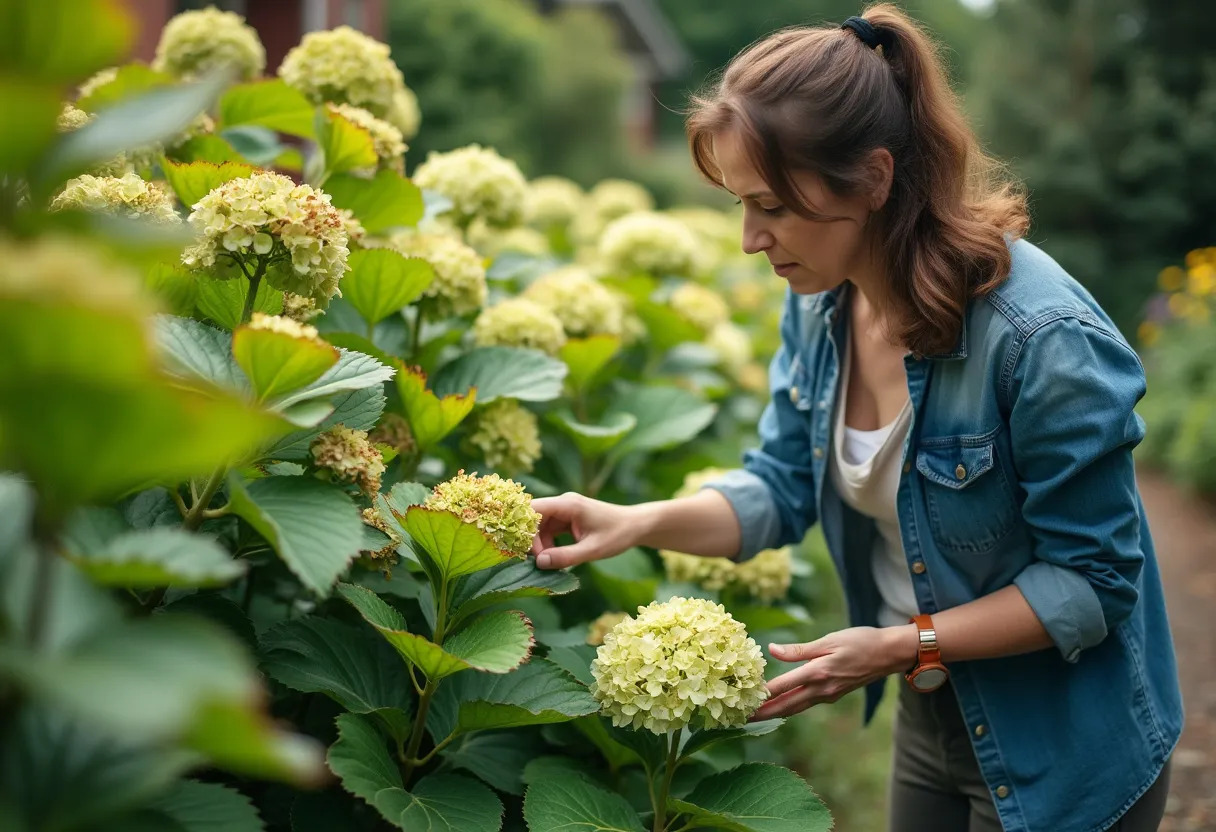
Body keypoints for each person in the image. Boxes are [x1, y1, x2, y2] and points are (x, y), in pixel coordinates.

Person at [528, 5, 1183, 832]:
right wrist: (631, 521)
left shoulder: (1040, 339)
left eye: (770, 205)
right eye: (738, 204)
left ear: (873, 178)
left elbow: (1093, 582)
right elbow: (781, 483)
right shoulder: (822, 302)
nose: (748, 239)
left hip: (1067, 741)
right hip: (932, 718)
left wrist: (905, 643)